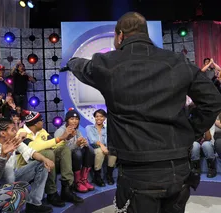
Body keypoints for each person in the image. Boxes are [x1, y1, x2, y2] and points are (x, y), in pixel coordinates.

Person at [61, 12, 221, 212]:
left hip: (137, 175)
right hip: (177, 171)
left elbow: (82, 67)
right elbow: (213, 100)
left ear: (120, 35)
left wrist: (71, 62)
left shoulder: (107, 63)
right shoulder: (177, 61)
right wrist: (190, 131)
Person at [0, 118, 54, 213]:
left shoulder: (14, 141)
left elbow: (31, 152)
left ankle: (33, 203)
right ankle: (10, 205)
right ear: (3, 133)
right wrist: (7, 153)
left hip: (13, 178)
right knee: (8, 170)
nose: (16, 132)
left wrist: (45, 159)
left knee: (42, 163)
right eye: (13, 130)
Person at [17, 111, 84, 207]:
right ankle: (51, 192)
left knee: (63, 149)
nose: (43, 122)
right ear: (36, 123)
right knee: (48, 153)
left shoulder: (42, 131)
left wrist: (66, 138)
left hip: (46, 161)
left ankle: (66, 188)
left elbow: (54, 145)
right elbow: (34, 147)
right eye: (41, 120)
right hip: (27, 166)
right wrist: (60, 137)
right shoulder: (21, 133)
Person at [54, 108, 95, 193]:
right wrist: (77, 144)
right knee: (77, 153)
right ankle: (77, 181)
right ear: (67, 120)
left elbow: (80, 145)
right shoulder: (60, 132)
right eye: (72, 119)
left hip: (76, 156)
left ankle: (84, 179)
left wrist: (84, 143)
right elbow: (62, 150)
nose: (74, 121)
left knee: (89, 149)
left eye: (76, 119)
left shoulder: (77, 131)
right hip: (65, 159)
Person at [86, 109, 117, 186]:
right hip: (93, 150)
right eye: (97, 116)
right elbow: (92, 140)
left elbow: (108, 141)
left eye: (101, 116)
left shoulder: (107, 129)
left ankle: (109, 175)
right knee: (99, 151)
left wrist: (106, 147)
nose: (99, 118)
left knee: (113, 152)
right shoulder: (89, 127)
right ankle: (97, 176)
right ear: (94, 117)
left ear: (105, 118)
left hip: (105, 149)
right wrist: (102, 145)